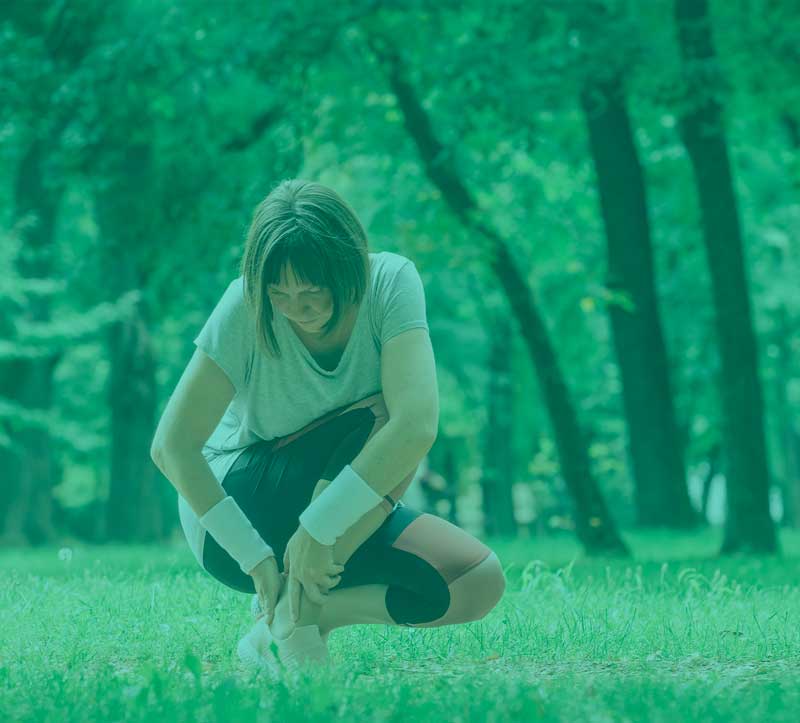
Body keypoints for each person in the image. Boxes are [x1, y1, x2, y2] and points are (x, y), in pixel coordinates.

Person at [149, 179, 506, 673]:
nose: (300, 309)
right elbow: (172, 446)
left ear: (349, 264)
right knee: (385, 411)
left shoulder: (389, 283)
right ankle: (292, 606)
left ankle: (291, 621)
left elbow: (419, 426)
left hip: (333, 512)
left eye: (313, 291)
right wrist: (255, 557)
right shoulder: (244, 304)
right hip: (236, 513)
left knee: (473, 580)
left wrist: (320, 532)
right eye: (282, 294)